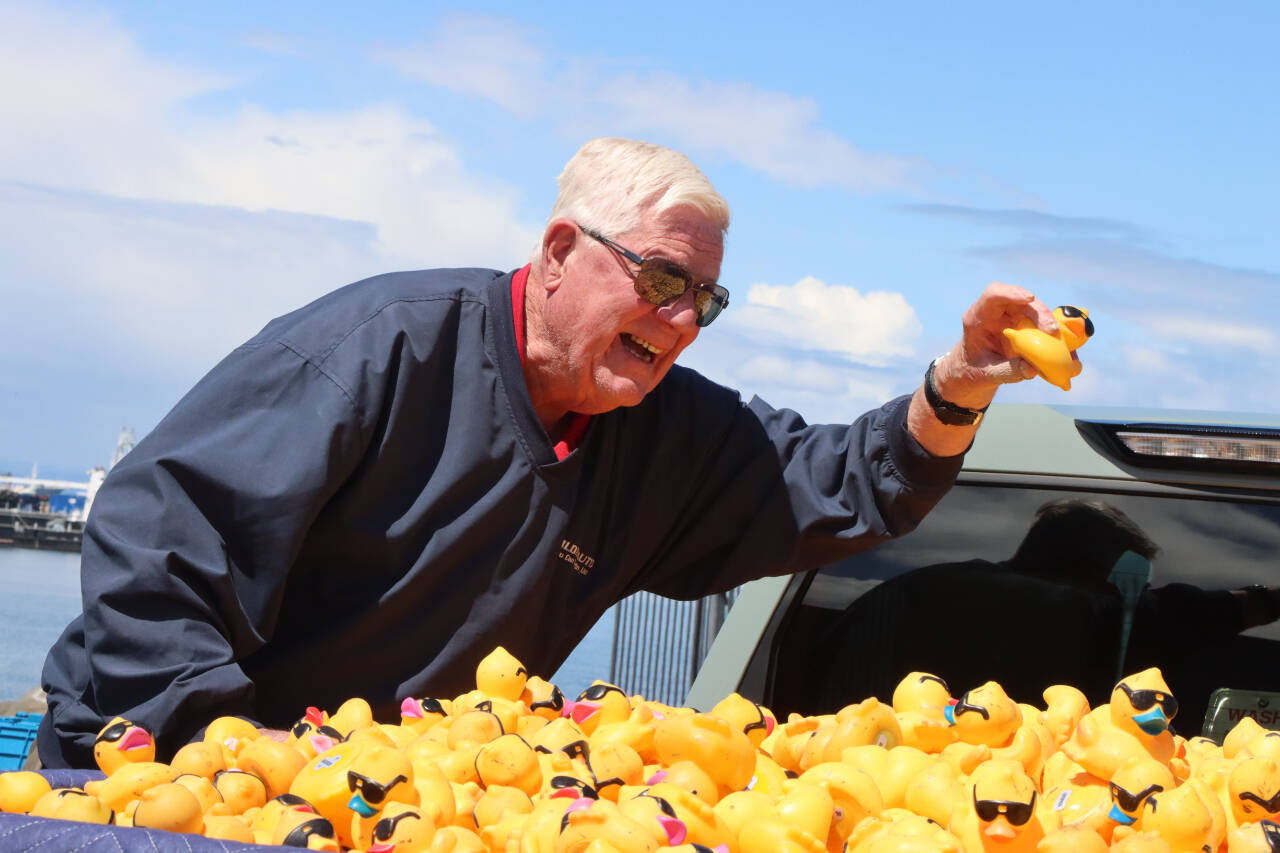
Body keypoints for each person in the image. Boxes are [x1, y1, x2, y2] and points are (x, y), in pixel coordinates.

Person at [38, 137, 1056, 768]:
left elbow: (847, 483)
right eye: (662, 281)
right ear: (561, 250)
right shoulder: (378, 347)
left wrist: (958, 378)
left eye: (705, 299)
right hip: (147, 780)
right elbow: (156, 533)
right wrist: (226, 740)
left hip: (373, 805)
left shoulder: (668, 434)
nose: (684, 321)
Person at [814, 498, 1280, 720]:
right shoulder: (1103, 616)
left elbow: (825, 677)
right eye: (1124, 581)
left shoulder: (913, 590)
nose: (1130, 596)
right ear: (1095, 577)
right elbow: (1215, 611)